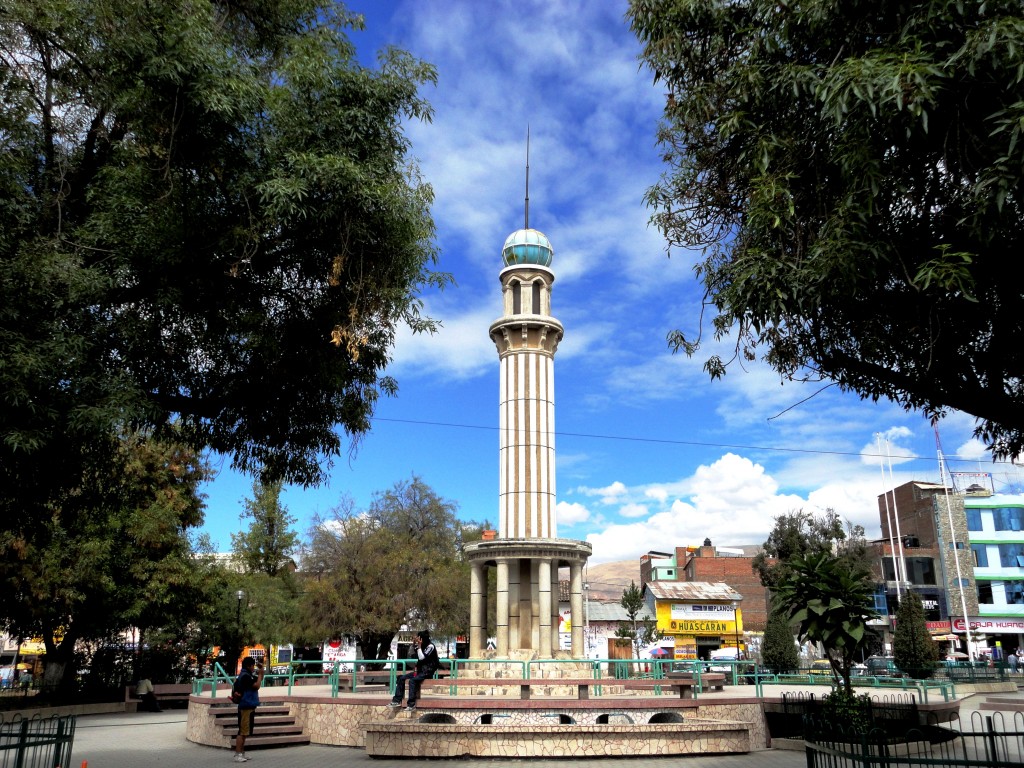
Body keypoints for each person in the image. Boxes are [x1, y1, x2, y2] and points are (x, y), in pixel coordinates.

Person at [388, 630, 439, 712]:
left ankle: (411, 705)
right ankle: (397, 700)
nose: (419, 640)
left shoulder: (430, 646)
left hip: (427, 671)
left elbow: (422, 657)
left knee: (412, 681)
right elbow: (411, 655)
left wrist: (419, 646)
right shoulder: (420, 646)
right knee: (401, 678)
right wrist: (413, 644)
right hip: (419, 671)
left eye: (419, 638)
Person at [232, 657, 264, 763]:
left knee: (245, 731)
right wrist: (259, 674)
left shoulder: (247, 675)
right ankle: (238, 754)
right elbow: (257, 685)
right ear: (248, 666)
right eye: (252, 665)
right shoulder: (245, 676)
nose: (253, 667)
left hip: (249, 706)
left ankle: (242, 752)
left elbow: (259, 680)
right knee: (242, 731)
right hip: (245, 706)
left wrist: (261, 670)